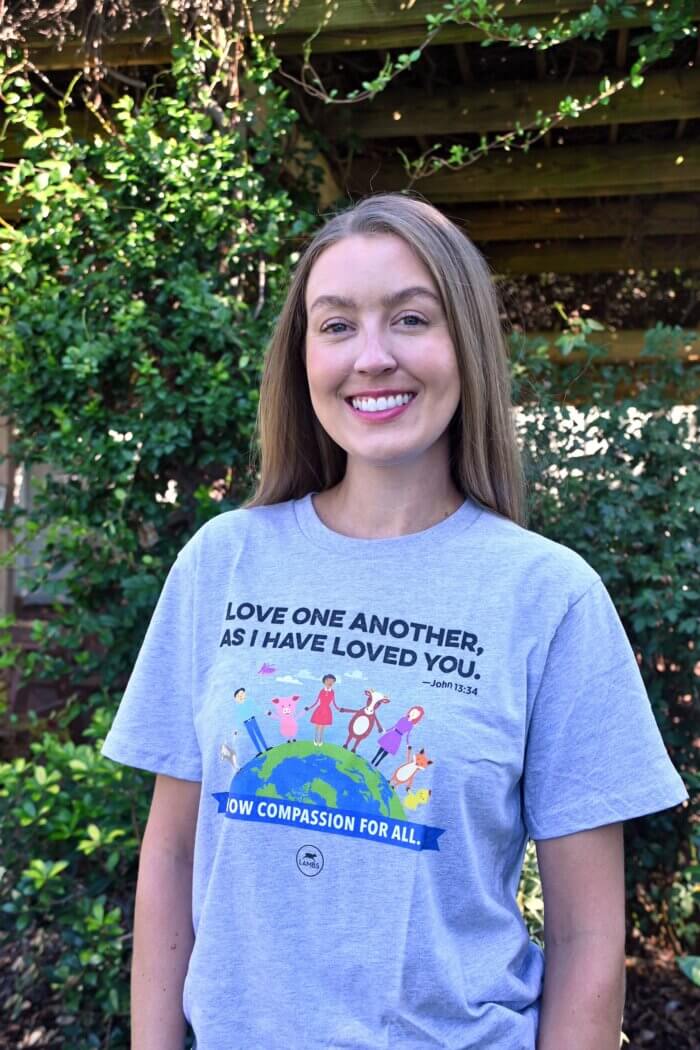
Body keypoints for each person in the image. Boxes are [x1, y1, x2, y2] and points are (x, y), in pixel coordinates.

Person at [101, 193, 687, 1050]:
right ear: (302, 356)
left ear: (467, 346)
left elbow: (587, 939)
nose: (371, 358)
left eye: (411, 318)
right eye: (336, 326)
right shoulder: (223, 564)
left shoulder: (549, 597)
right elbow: (171, 859)